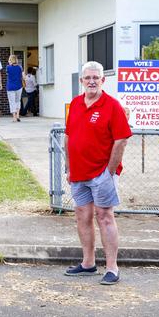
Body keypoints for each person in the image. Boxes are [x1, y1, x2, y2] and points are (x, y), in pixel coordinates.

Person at [63, 61, 132, 285]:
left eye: (96, 78)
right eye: (87, 78)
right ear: (81, 81)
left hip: (101, 174)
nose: (92, 81)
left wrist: (108, 173)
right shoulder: (74, 104)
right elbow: (68, 137)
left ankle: (112, 267)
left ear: (103, 80)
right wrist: (68, 167)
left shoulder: (112, 106)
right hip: (79, 173)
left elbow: (121, 140)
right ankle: (88, 263)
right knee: (82, 216)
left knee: (105, 217)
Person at [6, 55, 23, 122]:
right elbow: (23, 76)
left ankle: (14, 117)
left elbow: (8, 74)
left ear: (11, 60)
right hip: (19, 86)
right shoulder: (20, 67)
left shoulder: (8, 67)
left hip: (10, 87)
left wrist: (10, 64)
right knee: (18, 101)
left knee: (12, 102)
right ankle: (18, 115)